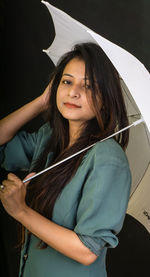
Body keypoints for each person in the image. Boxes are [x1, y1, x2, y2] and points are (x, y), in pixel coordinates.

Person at [0, 42, 131, 277]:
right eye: (67, 81)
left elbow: (87, 250)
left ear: (106, 98)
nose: (73, 92)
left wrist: (20, 211)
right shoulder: (49, 137)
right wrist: (41, 102)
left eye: (89, 86)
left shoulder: (107, 158)